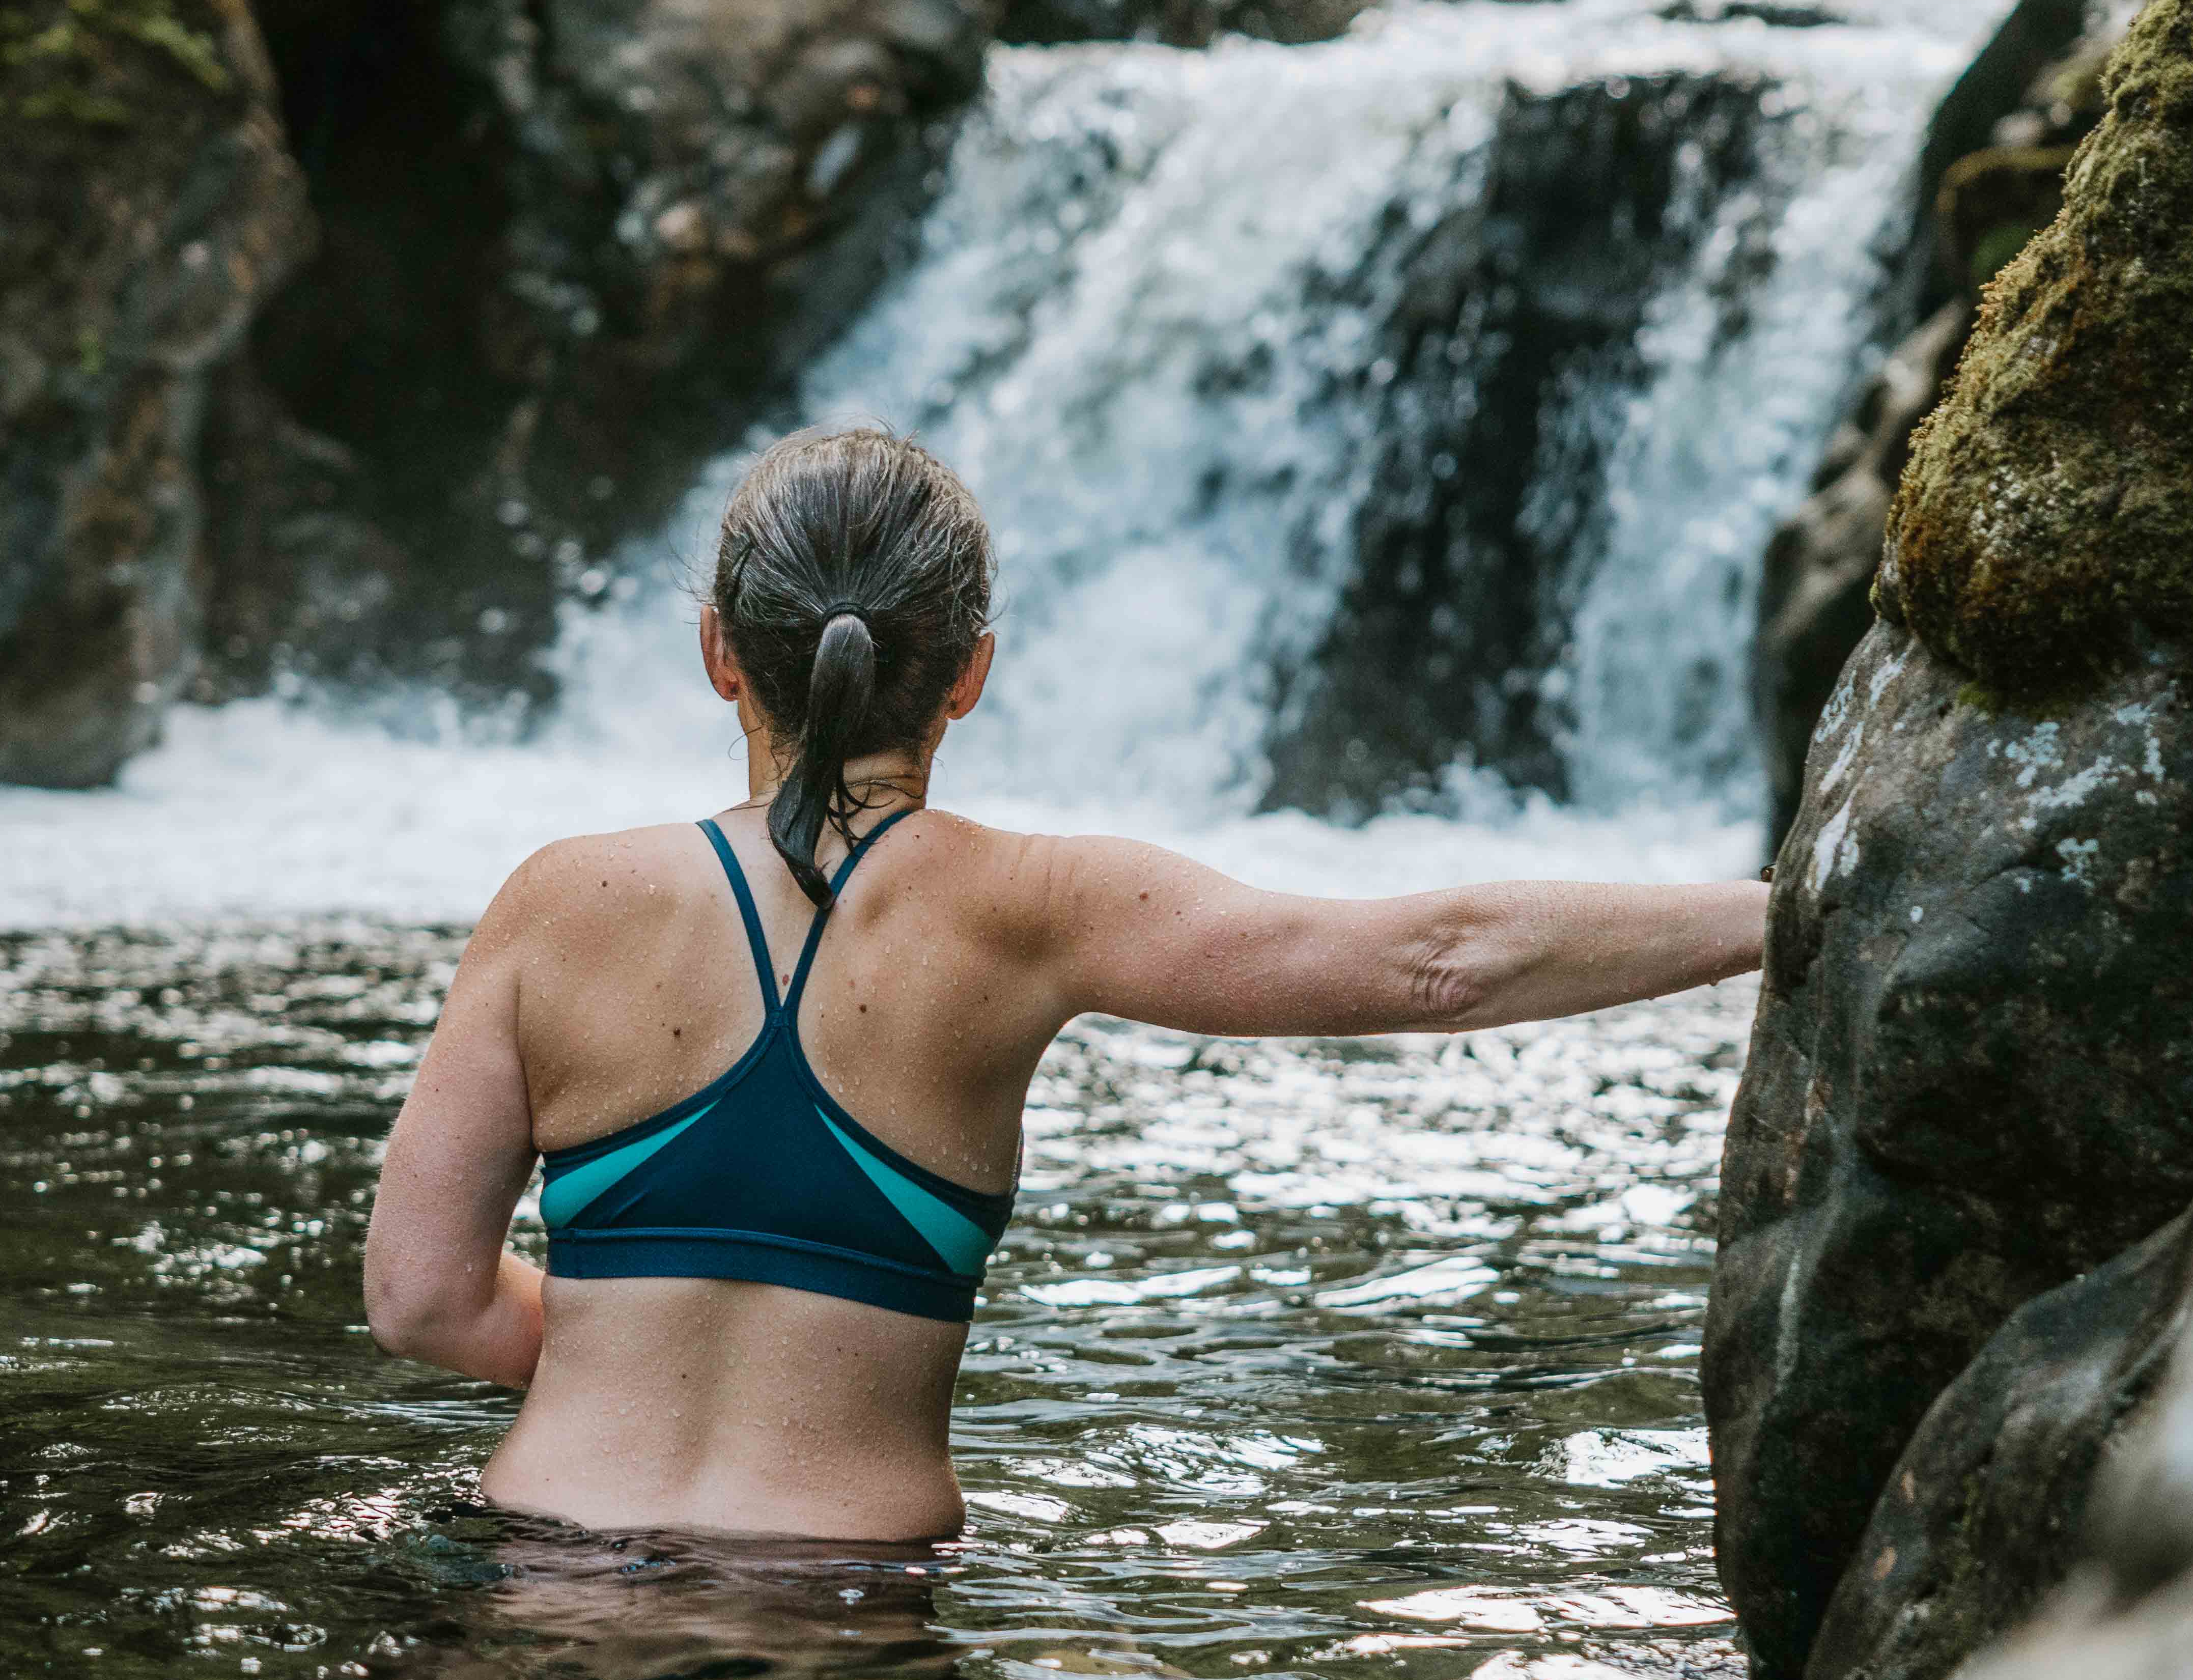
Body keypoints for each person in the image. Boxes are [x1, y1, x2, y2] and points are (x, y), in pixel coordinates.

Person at [363, 424, 1769, 1545]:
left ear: (721, 649)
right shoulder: (1037, 908)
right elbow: (1437, 962)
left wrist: (641, 1345)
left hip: (545, 1568)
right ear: (968, 673)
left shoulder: (559, 902)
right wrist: (1790, 908)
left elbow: (425, 1303)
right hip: (844, 1617)